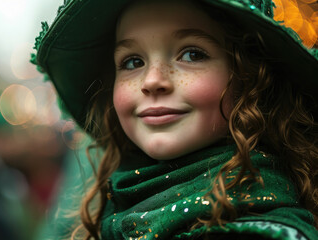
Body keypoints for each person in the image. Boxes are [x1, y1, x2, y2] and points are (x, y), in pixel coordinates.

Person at [31, 0, 318, 239]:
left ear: (251, 77)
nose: (152, 80)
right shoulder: (109, 211)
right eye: (133, 62)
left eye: (192, 54)